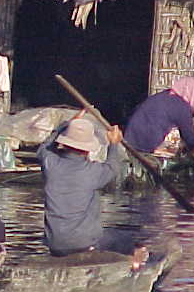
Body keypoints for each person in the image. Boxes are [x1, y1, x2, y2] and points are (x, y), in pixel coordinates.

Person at [36, 110, 147, 262]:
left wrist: (64, 126)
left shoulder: (50, 164)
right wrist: (113, 144)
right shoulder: (93, 171)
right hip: (84, 243)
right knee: (126, 238)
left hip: (54, 243)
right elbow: (113, 167)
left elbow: (44, 148)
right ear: (87, 150)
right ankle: (133, 265)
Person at [124, 76, 194, 158]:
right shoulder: (181, 107)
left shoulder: (166, 95)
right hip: (143, 143)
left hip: (130, 134)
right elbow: (189, 137)